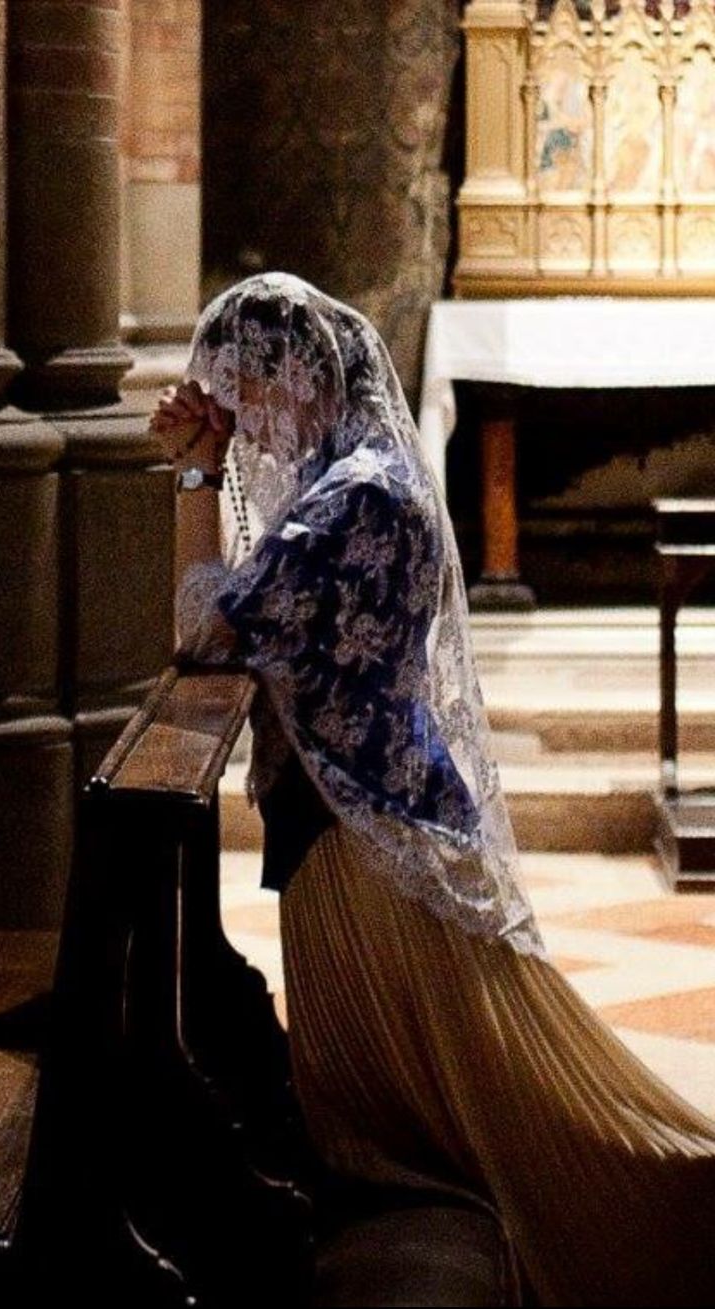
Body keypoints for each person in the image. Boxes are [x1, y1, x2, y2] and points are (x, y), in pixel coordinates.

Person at [152, 272, 715, 1308]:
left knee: (468, 1118)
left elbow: (202, 630)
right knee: (466, 1103)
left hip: (372, 846)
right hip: (372, 827)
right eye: (228, 401)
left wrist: (197, 478)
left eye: (245, 394)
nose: (242, 421)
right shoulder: (353, 473)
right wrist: (213, 460)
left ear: (297, 375)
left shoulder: (355, 494)